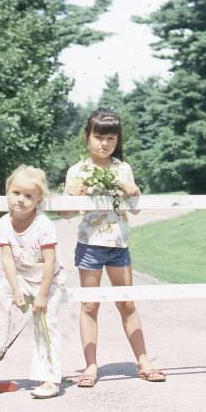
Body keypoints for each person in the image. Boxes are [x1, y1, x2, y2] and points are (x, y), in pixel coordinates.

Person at [63, 108, 166, 388]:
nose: (104, 143)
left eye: (110, 138)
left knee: (127, 303)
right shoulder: (78, 171)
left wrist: (133, 192)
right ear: (87, 137)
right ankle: (91, 367)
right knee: (90, 305)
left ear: (117, 140)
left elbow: (136, 210)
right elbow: (64, 214)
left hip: (119, 244)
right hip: (90, 246)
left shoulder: (123, 169)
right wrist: (75, 198)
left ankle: (143, 362)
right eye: (98, 137)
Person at [0, 165, 66, 399]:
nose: (21, 200)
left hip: (47, 281)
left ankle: (49, 379)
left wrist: (43, 295)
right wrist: (15, 289)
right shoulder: (4, 223)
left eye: (29, 196)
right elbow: (7, 259)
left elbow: (50, 261)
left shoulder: (44, 225)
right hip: (21, 277)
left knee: (45, 324)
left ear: (38, 200)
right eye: (16, 193)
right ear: (8, 192)